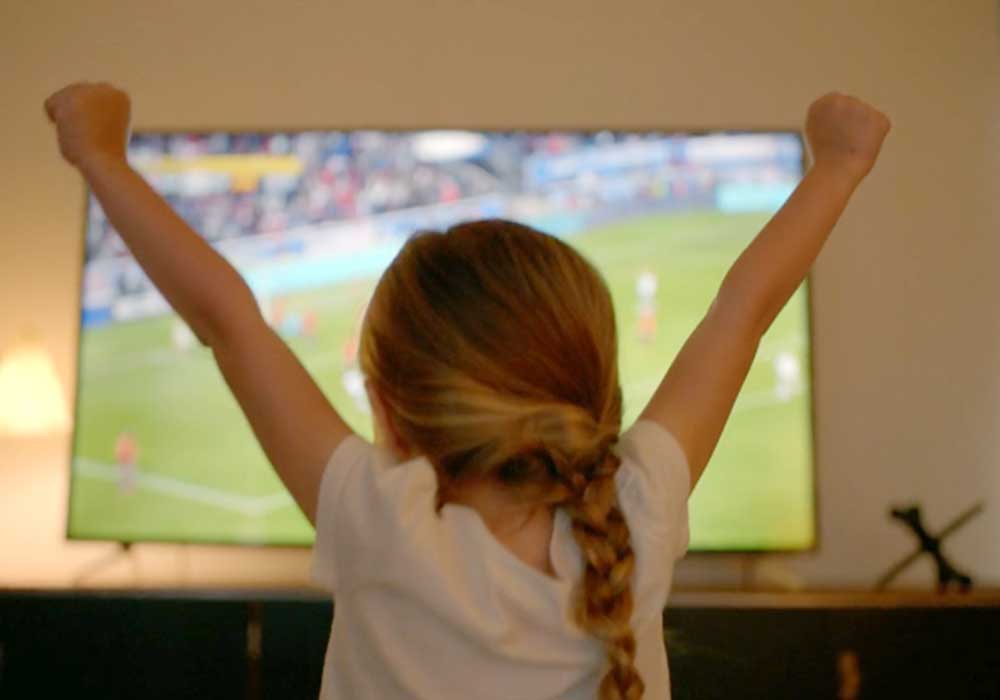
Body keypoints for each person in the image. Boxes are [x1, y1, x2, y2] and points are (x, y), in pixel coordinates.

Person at [44, 83, 889, 700]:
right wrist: (839, 167)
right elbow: (737, 319)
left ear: (386, 408)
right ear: (596, 393)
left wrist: (100, 156)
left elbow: (230, 324)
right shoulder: (638, 511)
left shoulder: (382, 518)